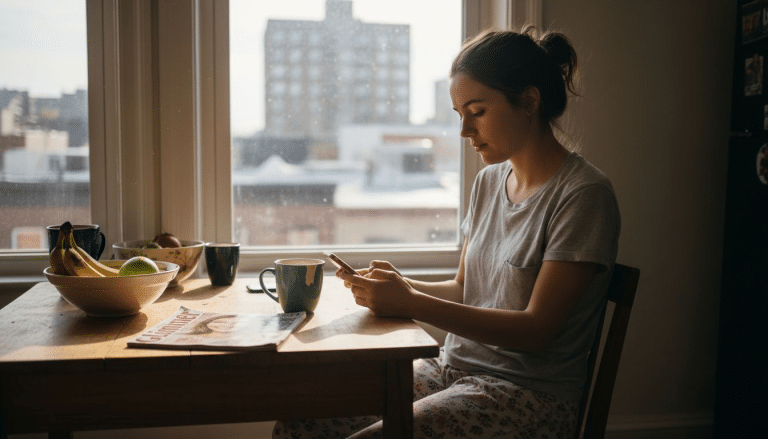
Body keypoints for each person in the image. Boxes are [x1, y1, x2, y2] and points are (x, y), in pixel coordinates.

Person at [273, 26, 620, 439]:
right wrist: (398, 287)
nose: (464, 132)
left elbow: (536, 331)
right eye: (459, 115)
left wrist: (410, 302)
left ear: (529, 101)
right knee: (302, 420)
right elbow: (463, 288)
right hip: (451, 371)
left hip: (527, 396)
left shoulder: (584, 195)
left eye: (478, 112)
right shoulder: (489, 183)